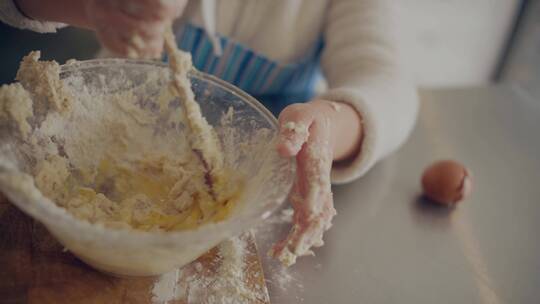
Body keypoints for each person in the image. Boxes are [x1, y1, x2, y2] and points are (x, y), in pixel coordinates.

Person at [0, 0, 418, 265]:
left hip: (255, 180)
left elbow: (388, 83)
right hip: (101, 132)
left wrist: (328, 123)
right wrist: (95, 7)